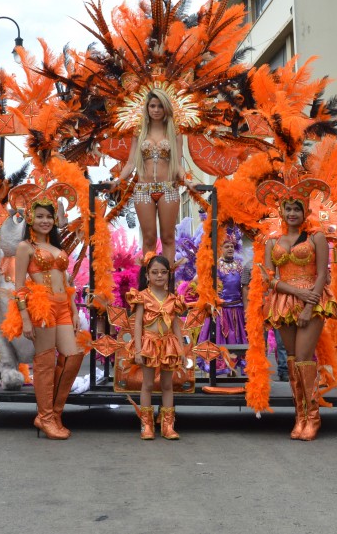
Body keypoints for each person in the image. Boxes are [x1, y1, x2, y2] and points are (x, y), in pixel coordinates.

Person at [260, 193, 337, 441]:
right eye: (288, 209)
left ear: (305, 213)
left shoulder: (317, 237)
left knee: (304, 357)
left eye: (297, 209)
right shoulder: (272, 241)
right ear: (281, 212)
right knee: (292, 360)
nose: (292, 213)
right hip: (283, 301)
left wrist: (308, 306)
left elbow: (322, 274)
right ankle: (300, 416)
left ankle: (313, 417)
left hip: (312, 301)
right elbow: (269, 278)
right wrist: (293, 291)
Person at [12, 185, 83, 440]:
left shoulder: (57, 247)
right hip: (41, 308)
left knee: (73, 356)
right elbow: (19, 286)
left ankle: (53, 412)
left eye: (49, 217)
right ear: (31, 218)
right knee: (44, 363)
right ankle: (46, 417)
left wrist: (74, 310)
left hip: (63, 306)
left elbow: (66, 282)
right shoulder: (25, 247)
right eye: (40, 216)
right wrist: (25, 318)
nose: (45, 221)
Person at [109, 89, 187, 265]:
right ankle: (149, 285)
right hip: (143, 190)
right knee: (149, 238)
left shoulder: (175, 132)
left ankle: (167, 282)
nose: (156, 110)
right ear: (147, 108)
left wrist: (188, 180)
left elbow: (179, 164)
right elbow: (130, 164)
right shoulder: (139, 132)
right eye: (152, 106)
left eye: (160, 106)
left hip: (168, 189)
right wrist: (117, 182)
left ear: (166, 108)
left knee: (168, 237)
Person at [130, 254, 184, 440]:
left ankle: (168, 425)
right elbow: (137, 324)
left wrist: (181, 349)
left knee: (167, 385)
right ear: (147, 275)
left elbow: (175, 323)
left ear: (168, 275)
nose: (159, 276)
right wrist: (138, 349)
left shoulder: (173, 298)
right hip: (148, 343)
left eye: (163, 272)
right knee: (148, 384)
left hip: (169, 344)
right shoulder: (142, 297)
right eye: (155, 272)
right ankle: (147, 425)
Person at [198, 233, 247, 375]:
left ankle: (233, 370)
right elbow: (201, 282)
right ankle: (216, 370)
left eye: (232, 246)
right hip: (221, 311)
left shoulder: (239, 265)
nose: (230, 248)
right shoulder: (214, 265)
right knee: (220, 339)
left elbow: (244, 287)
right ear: (220, 249)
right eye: (227, 246)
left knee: (238, 340)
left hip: (237, 310)